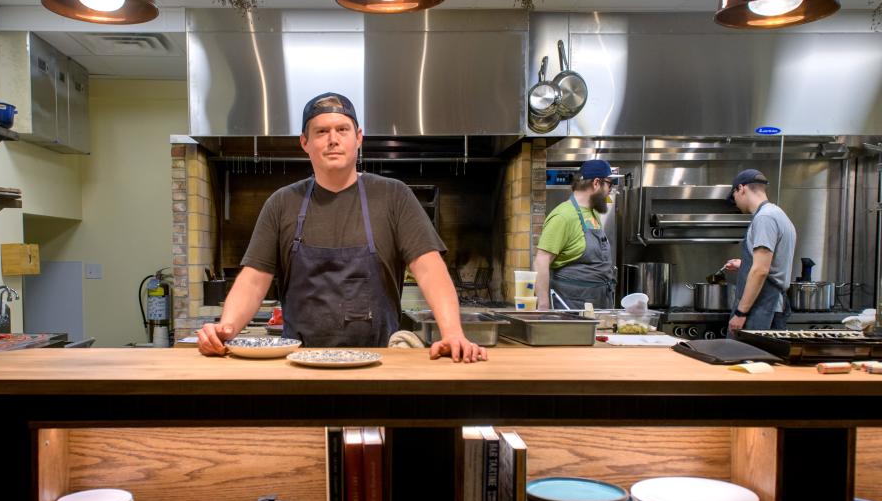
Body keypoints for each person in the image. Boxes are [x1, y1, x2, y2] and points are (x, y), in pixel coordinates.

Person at [196, 92, 486, 363]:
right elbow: (253, 279)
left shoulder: (393, 196)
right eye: (321, 132)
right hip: (300, 364)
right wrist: (227, 327)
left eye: (342, 130)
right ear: (304, 142)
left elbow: (429, 268)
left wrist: (452, 333)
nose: (332, 139)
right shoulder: (282, 203)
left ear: (358, 138)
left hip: (380, 362)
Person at [534, 159, 620, 311]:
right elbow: (542, 260)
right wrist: (543, 306)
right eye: (609, 184)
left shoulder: (592, 213)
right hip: (572, 307)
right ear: (596, 183)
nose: (610, 189)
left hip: (598, 304)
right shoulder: (563, 216)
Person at [721, 169, 797, 333]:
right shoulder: (779, 214)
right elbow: (773, 264)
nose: (735, 202)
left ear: (741, 188)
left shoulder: (765, 218)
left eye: (734, 196)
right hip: (770, 306)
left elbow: (761, 270)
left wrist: (741, 313)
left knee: (749, 358)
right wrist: (744, 265)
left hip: (761, 309)